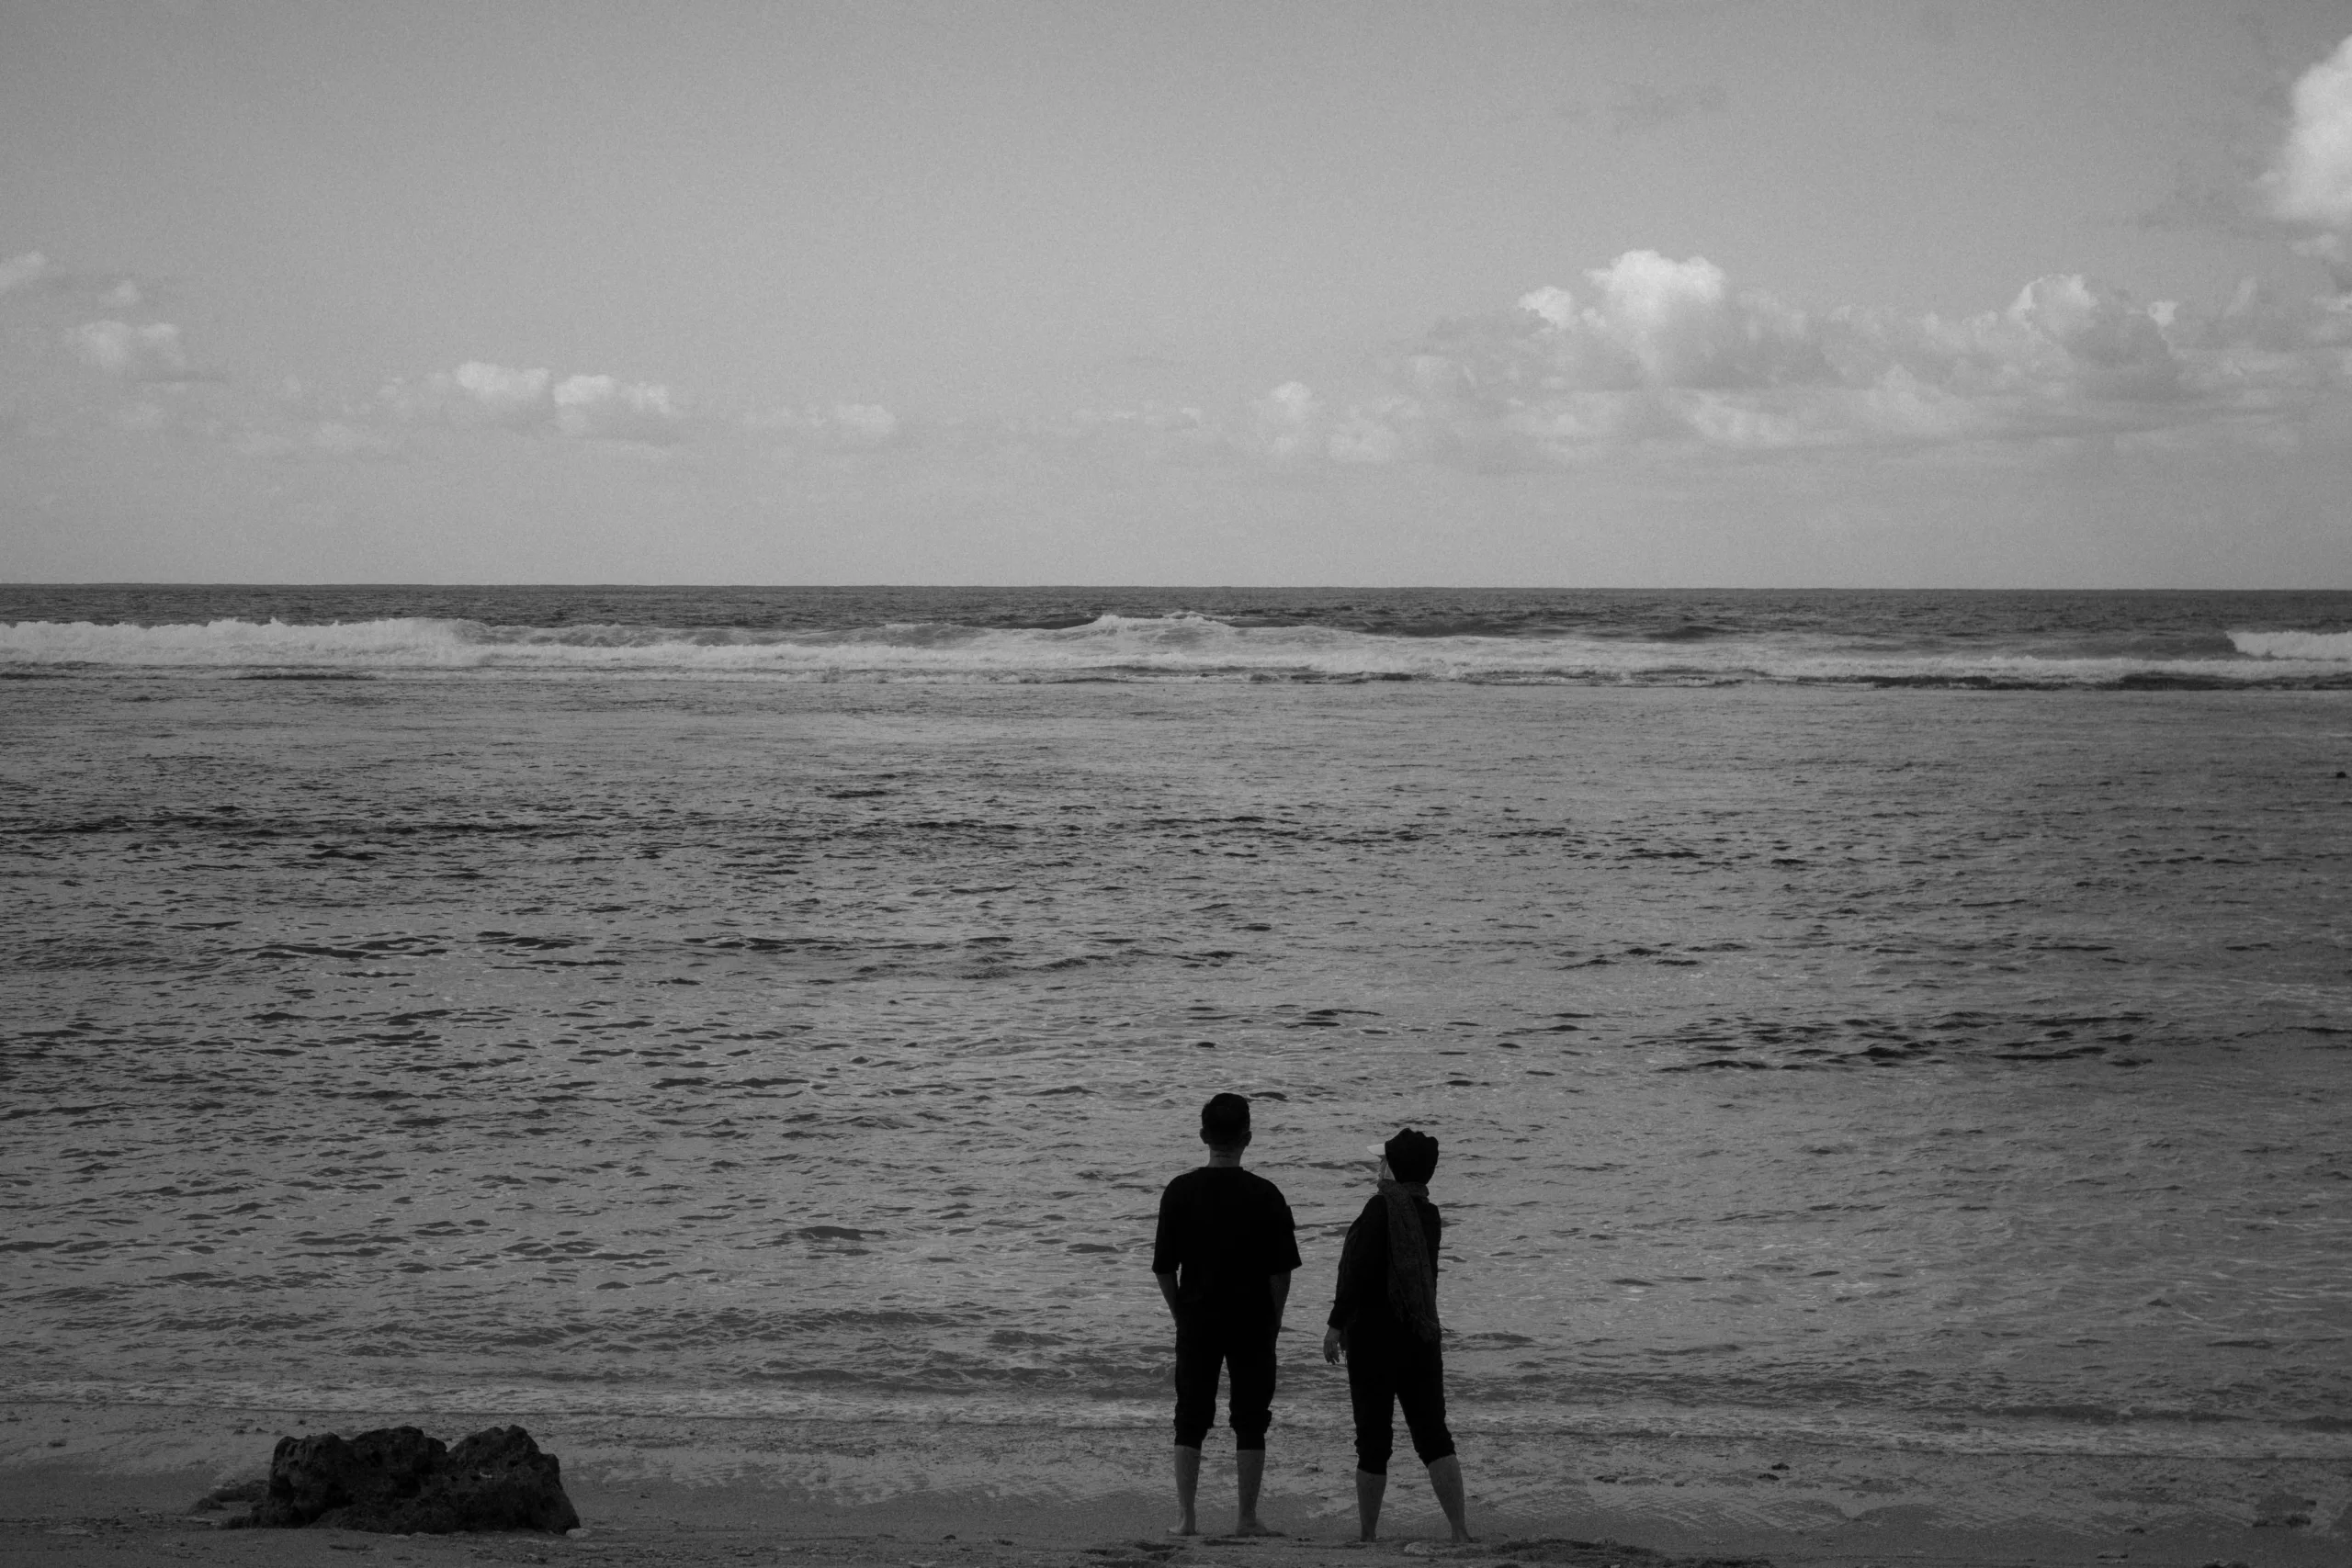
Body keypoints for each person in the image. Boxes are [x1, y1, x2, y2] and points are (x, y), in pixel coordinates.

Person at [1151, 1092, 1302, 1537]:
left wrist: (1181, 1314)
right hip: (1253, 1319)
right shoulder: (1267, 1194)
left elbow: (1164, 1268)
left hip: (1197, 1316)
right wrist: (1274, 1321)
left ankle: (1186, 1518)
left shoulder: (1179, 1191)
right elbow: (1281, 1273)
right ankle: (1246, 1518)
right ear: (1247, 1138)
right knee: (1251, 1418)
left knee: (1190, 1415)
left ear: (1203, 1136)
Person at [1321, 1127, 1471, 1544]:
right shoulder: (1429, 1213)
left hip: (1372, 1340)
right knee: (1433, 1435)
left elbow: (1359, 1272)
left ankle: (1368, 1534)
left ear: (1392, 1167)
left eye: (1382, 1159)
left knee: (1372, 1439)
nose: (1377, 1165)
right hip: (1421, 1337)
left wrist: (1335, 1324)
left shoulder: (1379, 1209)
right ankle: (1459, 1530)